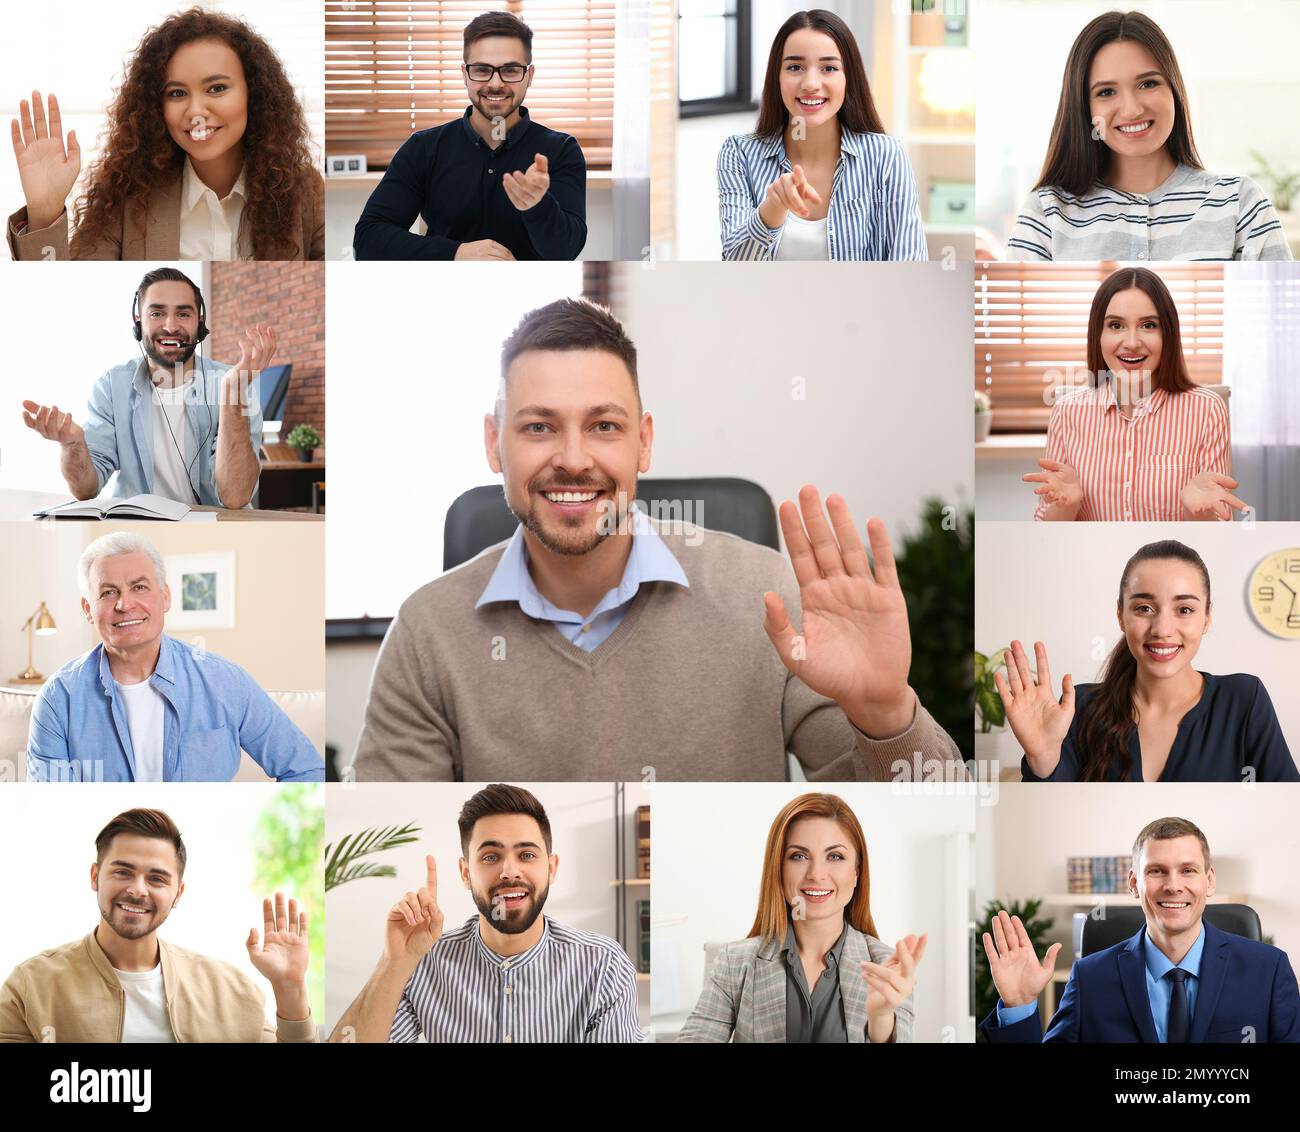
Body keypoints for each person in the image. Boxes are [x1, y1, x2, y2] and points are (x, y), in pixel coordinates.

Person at [350, 297, 963, 781]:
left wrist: (885, 714)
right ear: (493, 443)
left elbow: (928, 819)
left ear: (643, 441)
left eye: (604, 426)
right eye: (538, 426)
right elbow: (398, 844)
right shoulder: (425, 634)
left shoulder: (767, 597)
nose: (572, 459)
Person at [330, 783, 641, 1043]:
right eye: (491, 856)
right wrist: (394, 963)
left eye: (527, 855)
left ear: (552, 868)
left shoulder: (603, 966)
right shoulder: (423, 963)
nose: (509, 871)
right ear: (465, 873)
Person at [7, 9, 324, 260]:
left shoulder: (304, 191)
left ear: (252, 93)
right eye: (176, 94)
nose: (196, 110)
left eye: (217, 88)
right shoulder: (127, 196)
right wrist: (44, 212)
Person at [0, 808, 318, 1043]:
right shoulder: (31, 987)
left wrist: (290, 989)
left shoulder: (233, 991)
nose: (138, 889)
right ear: (95, 876)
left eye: (156, 878)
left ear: (178, 893)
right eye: (123, 872)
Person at [27, 531, 324, 782]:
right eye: (108, 593)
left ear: (165, 597)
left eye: (139, 587)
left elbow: (305, 770)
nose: (124, 603)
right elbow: (49, 805)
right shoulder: (57, 698)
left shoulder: (225, 681)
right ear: (87, 609)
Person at [995, 540, 1296, 782]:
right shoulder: (1079, 707)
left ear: (1207, 617)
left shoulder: (1243, 699)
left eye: (1185, 610)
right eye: (1144, 608)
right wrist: (1042, 760)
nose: (1162, 630)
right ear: (1120, 615)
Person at [980, 817, 1300, 1042]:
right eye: (1157, 871)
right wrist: (1019, 1005)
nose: (1174, 886)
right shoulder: (1090, 977)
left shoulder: (1268, 970)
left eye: (1188, 870)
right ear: (1134, 884)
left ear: (1210, 880)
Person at [1006, 11, 1290, 262]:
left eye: (1148, 83)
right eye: (1106, 92)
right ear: (1084, 108)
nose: (1131, 110)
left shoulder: (1240, 203)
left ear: (1174, 91)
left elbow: (1282, 319)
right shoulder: (1046, 212)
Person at [678, 792, 924, 1043]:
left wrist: (881, 1018)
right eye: (799, 856)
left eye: (835, 856)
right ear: (778, 870)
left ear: (856, 873)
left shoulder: (887, 967)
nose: (816, 874)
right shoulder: (734, 963)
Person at [20, 268, 269, 510]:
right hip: (138, 535)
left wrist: (232, 393)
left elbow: (235, 497)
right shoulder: (111, 386)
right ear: (138, 320)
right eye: (157, 313)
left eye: (183, 314)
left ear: (200, 323)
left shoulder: (234, 383)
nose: (171, 326)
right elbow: (85, 490)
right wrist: (72, 445)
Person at [352, 11, 586, 261]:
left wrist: (537, 206)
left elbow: (566, 253)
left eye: (510, 70)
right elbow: (368, 240)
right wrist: (454, 253)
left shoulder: (561, 150)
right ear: (464, 74)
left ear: (529, 76)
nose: (496, 84)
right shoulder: (424, 148)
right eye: (483, 70)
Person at [1025, 267, 1249, 522]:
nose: (1131, 342)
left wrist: (1195, 513)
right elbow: (1045, 533)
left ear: (1168, 335)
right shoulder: (1066, 412)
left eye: (1148, 325)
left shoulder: (1207, 410)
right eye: (1116, 325)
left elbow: (1216, 531)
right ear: (1098, 334)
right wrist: (1066, 506)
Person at [716, 9, 925, 261]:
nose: (811, 83)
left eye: (828, 67)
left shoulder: (885, 156)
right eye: (795, 67)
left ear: (849, 77)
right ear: (777, 77)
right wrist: (771, 210)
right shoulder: (739, 154)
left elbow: (909, 270)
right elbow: (734, 269)